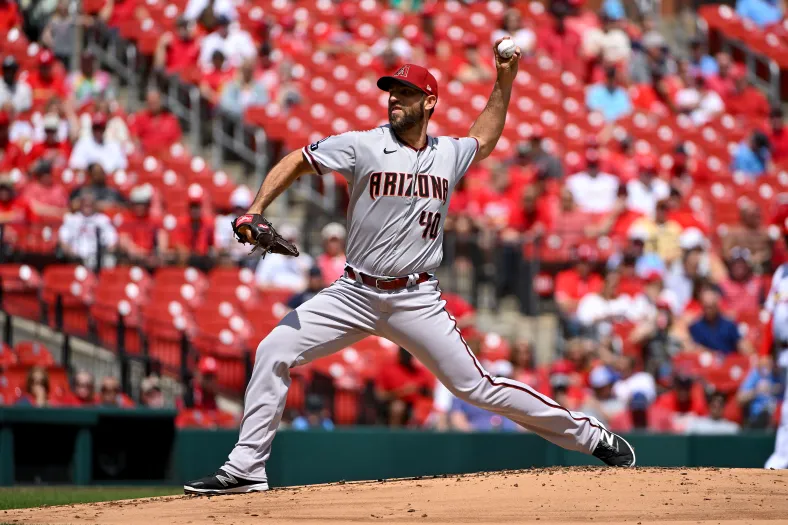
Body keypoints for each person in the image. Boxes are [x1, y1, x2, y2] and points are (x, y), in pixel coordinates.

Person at [184, 42, 635, 495]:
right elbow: (297, 161)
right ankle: (245, 469)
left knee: (476, 387)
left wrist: (504, 81)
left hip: (416, 297)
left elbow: (486, 137)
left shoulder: (448, 153)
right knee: (273, 350)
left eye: (406, 91)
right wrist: (256, 208)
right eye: (391, 91)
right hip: (354, 292)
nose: (395, 98)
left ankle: (591, 436)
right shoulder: (363, 144)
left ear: (430, 102)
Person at [376, 347, 435, 427]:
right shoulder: (388, 369)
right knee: (398, 407)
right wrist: (402, 392)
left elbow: (432, 394)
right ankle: (395, 436)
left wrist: (419, 389)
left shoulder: (420, 371)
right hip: (394, 404)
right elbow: (380, 395)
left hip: (417, 405)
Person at [58, 193, 118, 266]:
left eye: (90, 204)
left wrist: (107, 251)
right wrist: (69, 251)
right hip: (76, 258)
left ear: (94, 205)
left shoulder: (102, 219)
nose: (88, 207)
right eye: (85, 204)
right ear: (81, 204)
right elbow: (63, 239)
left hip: (98, 259)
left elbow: (112, 239)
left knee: (110, 261)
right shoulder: (71, 219)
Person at [688, 285, 751, 355]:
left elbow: (742, 344)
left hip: (728, 362)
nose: (708, 310)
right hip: (706, 363)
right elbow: (693, 348)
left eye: (711, 307)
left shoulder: (729, 325)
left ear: (717, 305)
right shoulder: (696, 327)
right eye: (706, 307)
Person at [254, 223, 314, 291]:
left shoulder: (305, 259)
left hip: (300, 297)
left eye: (292, 240)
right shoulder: (270, 259)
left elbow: (312, 283)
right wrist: (280, 288)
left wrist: (298, 258)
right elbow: (260, 283)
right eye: (286, 240)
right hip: (276, 295)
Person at [117, 184, 166, 266]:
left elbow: (162, 237)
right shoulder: (126, 220)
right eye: (137, 204)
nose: (140, 207)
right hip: (133, 259)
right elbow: (124, 241)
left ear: (148, 204)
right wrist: (140, 254)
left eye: (142, 203)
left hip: (152, 258)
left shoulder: (155, 220)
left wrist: (160, 253)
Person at [128, 89, 182, 154]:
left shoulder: (171, 119)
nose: (153, 105)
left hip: (166, 156)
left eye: (155, 102)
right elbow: (134, 136)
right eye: (151, 102)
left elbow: (178, 140)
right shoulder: (140, 117)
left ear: (160, 101)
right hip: (146, 155)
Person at [565, 149, 619, 214]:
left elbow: (617, 202)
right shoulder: (574, 181)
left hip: (605, 215)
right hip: (583, 217)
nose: (592, 168)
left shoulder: (611, 181)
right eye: (590, 165)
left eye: (594, 165)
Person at [738, 355, 783, 429]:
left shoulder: (776, 374)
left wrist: (776, 388)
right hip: (758, 417)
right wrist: (757, 391)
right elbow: (740, 398)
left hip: (776, 417)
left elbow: (781, 390)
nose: (766, 368)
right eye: (763, 365)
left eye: (768, 364)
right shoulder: (755, 375)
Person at [214, 186, 254, 265]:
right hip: (227, 259)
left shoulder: (253, 224)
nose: (240, 211)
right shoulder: (223, 221)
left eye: (243, 208)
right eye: (238, 208)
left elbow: (250, 250)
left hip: (246, 261)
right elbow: (220, 245)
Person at [41, 0, 77, 67]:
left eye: (65, 5)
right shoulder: (53, 20)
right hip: (57, 52)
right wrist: (51, 42)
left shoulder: (72, 19)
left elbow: (85, 21)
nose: (63, 7)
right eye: (62, 4)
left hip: (69, 53)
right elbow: (45, 36)